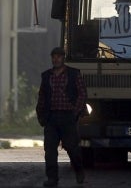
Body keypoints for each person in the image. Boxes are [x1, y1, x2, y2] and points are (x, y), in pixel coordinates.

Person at [36, 47, 87, 187]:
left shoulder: (73, 74)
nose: (56, 59)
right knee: (50, 150)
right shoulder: (46, 76)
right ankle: (52, 178)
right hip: (51, 117)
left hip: (68, 117)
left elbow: (82, 94)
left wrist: (75, 112)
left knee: (72, 148)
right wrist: (41, 115)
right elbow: (42, 97)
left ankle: (79, 170)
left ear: (63, 58)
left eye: (58, 56)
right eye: (53, 56)